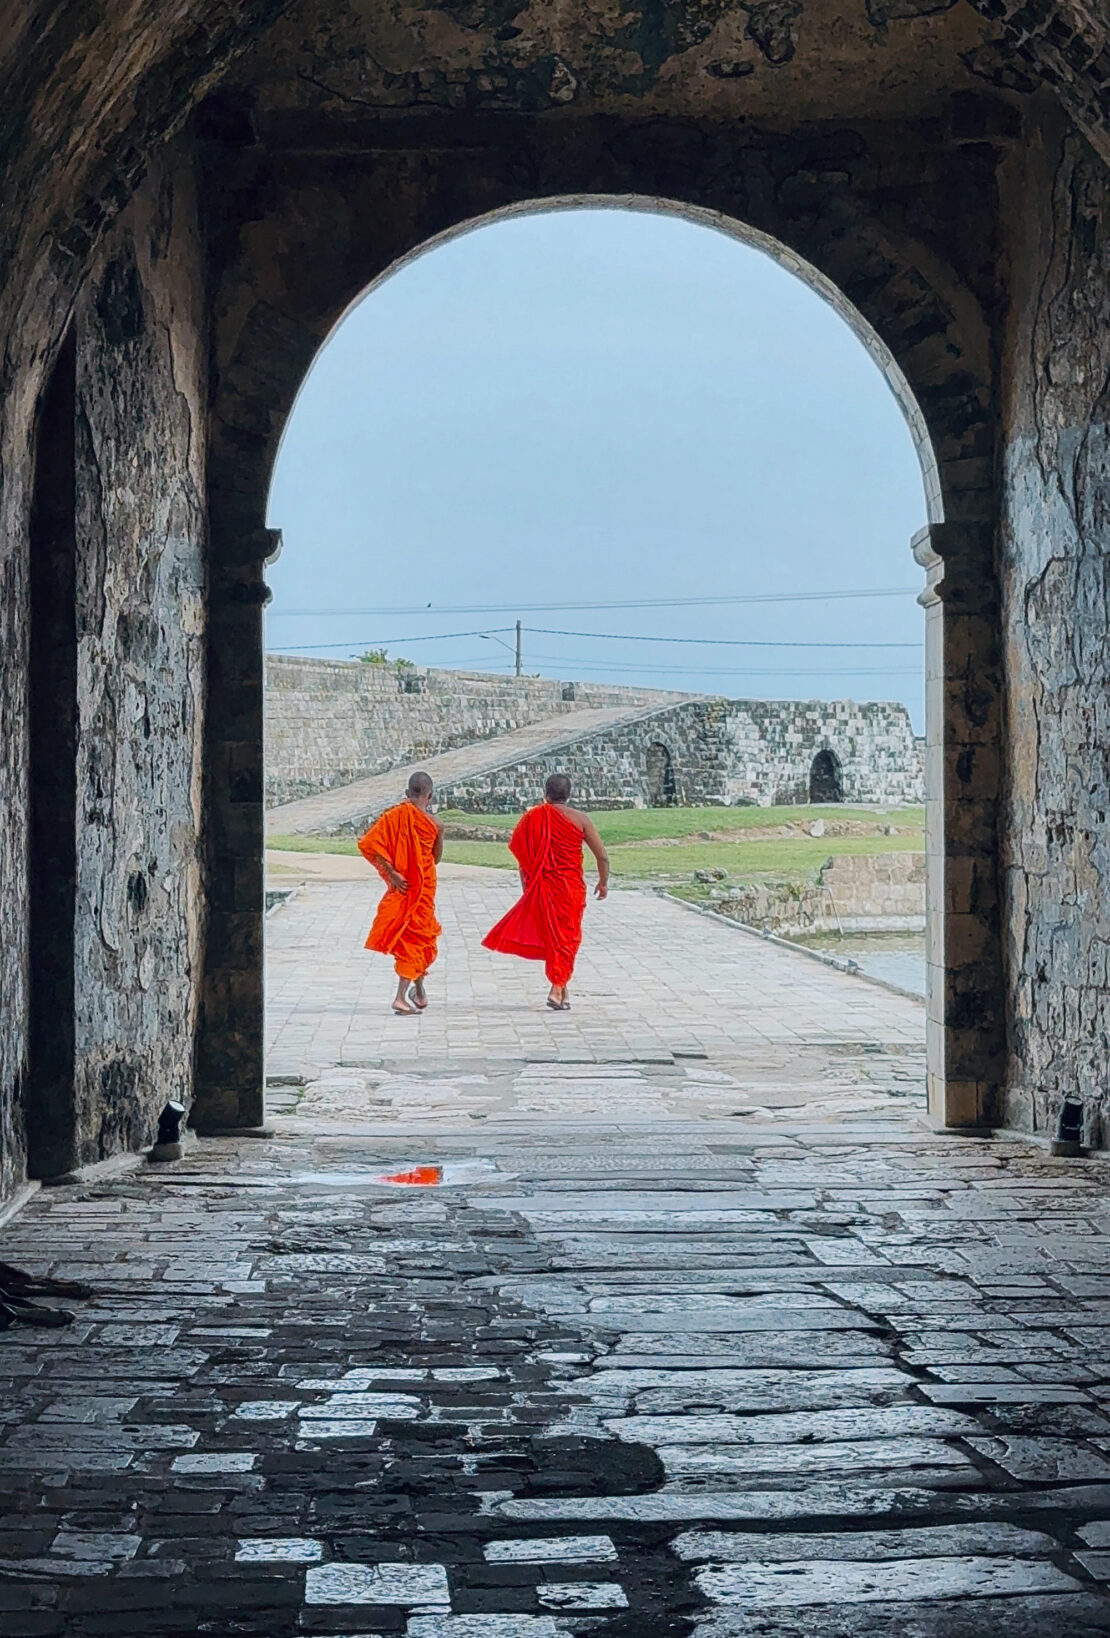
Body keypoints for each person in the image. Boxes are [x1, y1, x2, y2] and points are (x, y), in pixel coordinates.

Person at [482, 773, 609, 1010]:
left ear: (545, 793)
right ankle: (556, 988)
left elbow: (523, 857)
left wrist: (527, 890)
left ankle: (563, 992)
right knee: (566, 938)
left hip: (543, 888)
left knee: (556, 938)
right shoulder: (580, 819)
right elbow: (602, 856)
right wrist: (603, 883)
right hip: (570, 889)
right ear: (568, 794)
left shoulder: (532, 818)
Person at [357, 771, 443, 1015]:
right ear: (430, 795)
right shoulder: (436, 824)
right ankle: (400, 998)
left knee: (417, 941)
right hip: (420, 887)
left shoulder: (393, 816)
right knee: (416, 941)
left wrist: (392, 873)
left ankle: (420, 992)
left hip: (405, 886)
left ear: (407, 793)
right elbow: (436, 858)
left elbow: (370, 844)